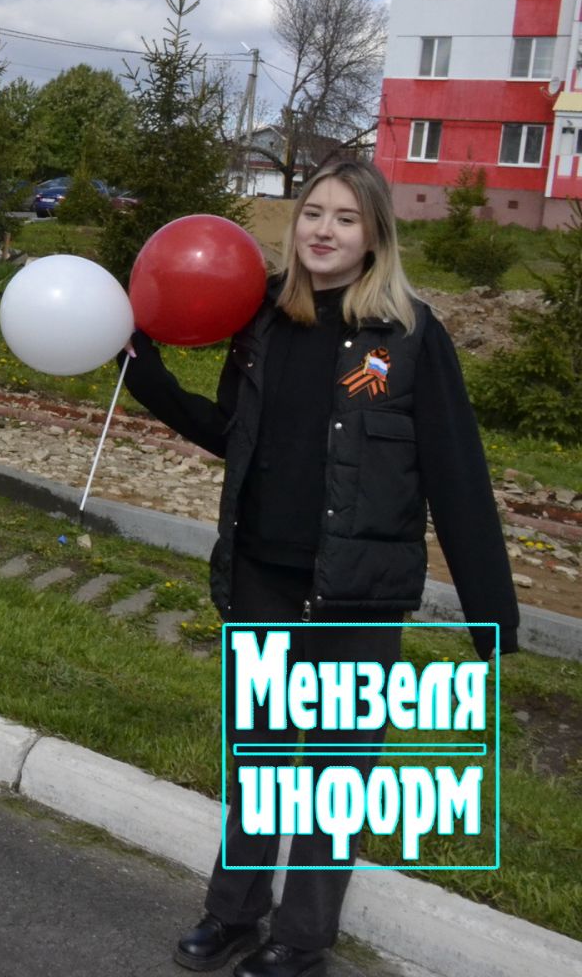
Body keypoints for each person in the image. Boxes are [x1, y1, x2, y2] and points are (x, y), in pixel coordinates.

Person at [121, 158, 518, 977]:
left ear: (374, 236)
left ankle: (301, 941)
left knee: (335, 774)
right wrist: (147, 377)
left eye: (344, 218)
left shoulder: (409, 336)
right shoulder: (262, 320)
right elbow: (234, 432)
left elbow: (457, 473)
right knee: (259, 758)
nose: (324, 231)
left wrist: (493, 614)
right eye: (312, 214)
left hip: (357, 596)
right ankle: (232, 916)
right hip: (265, 576)